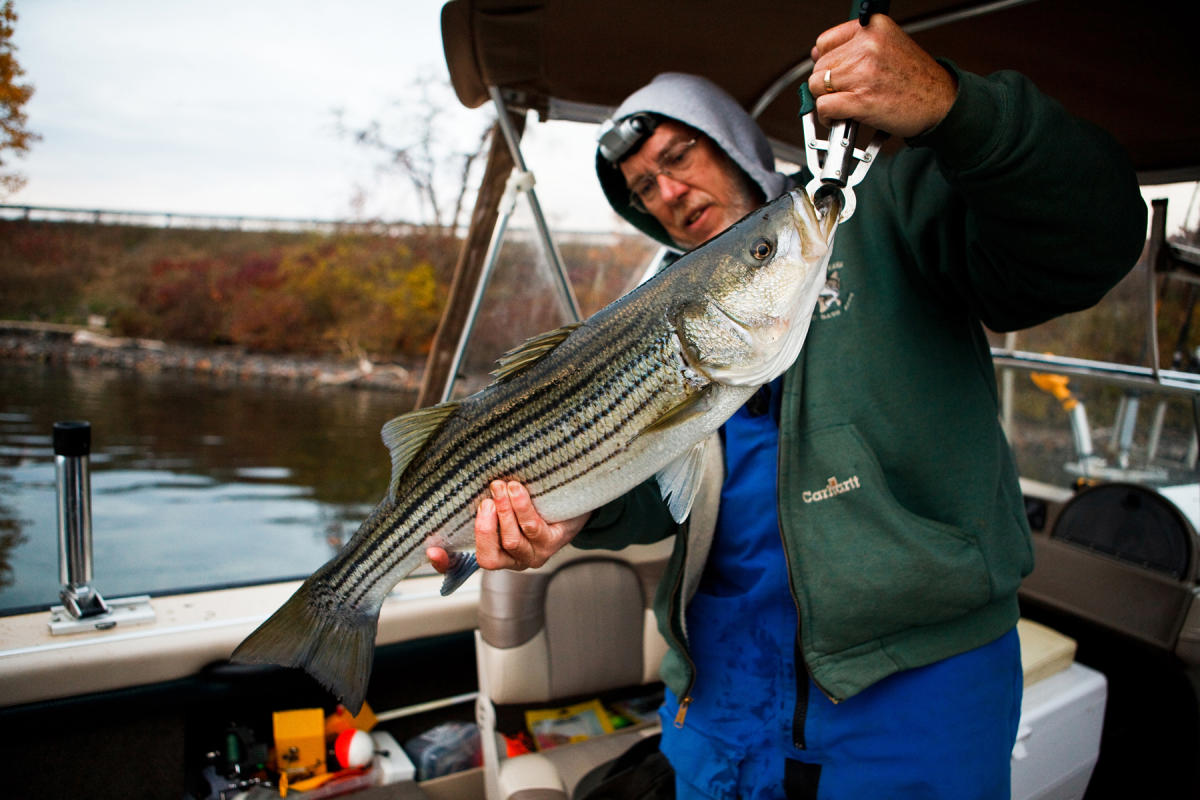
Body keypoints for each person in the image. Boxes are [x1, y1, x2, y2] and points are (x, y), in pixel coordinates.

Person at [430, 14, 1147, 799]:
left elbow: (1094, 235)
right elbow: (652, 493)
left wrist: (956, 109)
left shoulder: (885, 213)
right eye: (643, 186)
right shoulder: (655, 307)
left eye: (679, 156)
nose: (667, 191)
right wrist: (576, 509)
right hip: (719, 689)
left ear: (733, 139)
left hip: (914, 688)